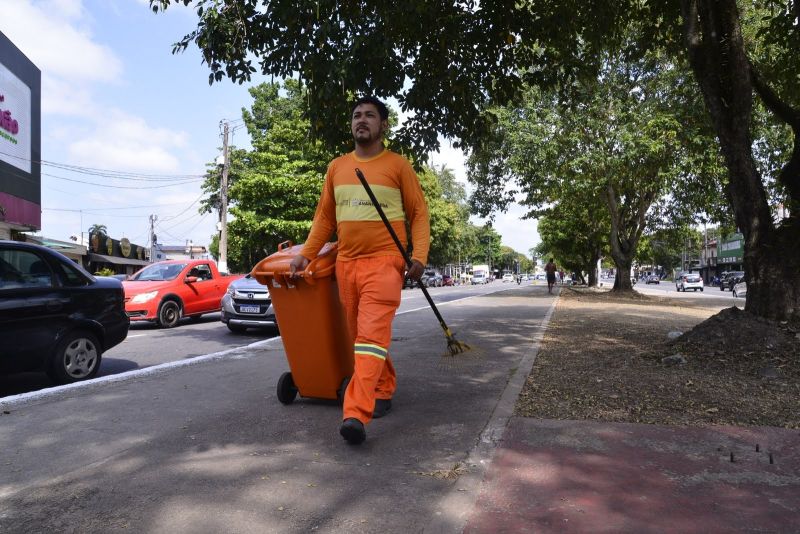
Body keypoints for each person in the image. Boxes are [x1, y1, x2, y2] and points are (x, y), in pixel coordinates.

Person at [289, 96, 430, 445]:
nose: (361, 120)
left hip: (385, 262)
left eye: (369, 115)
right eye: (356, 115)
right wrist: (305, 255)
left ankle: (355, 412)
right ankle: (382, 387)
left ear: (383, 125)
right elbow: (325, 217)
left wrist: (420, 256)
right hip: (346, 264)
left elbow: (419, 213)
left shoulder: (398, 166)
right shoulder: (337, 167)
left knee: (369, 339)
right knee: (364, 338)